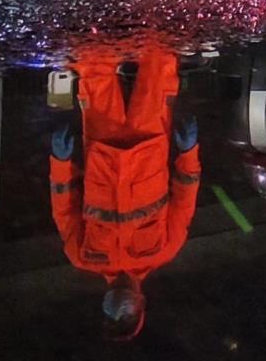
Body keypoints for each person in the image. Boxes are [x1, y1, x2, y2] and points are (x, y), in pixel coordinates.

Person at [49, 44, 200, 340]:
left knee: (93, 59)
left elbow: (63, 205)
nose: (119, 309)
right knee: (160, 56)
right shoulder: (166, 248)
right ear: (141, 305)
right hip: (150, 143)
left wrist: (60, 162)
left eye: (112, 316)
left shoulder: (82, 257)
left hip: (102, 147)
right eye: (127, 316)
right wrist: (188, 152)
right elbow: (185, 195)